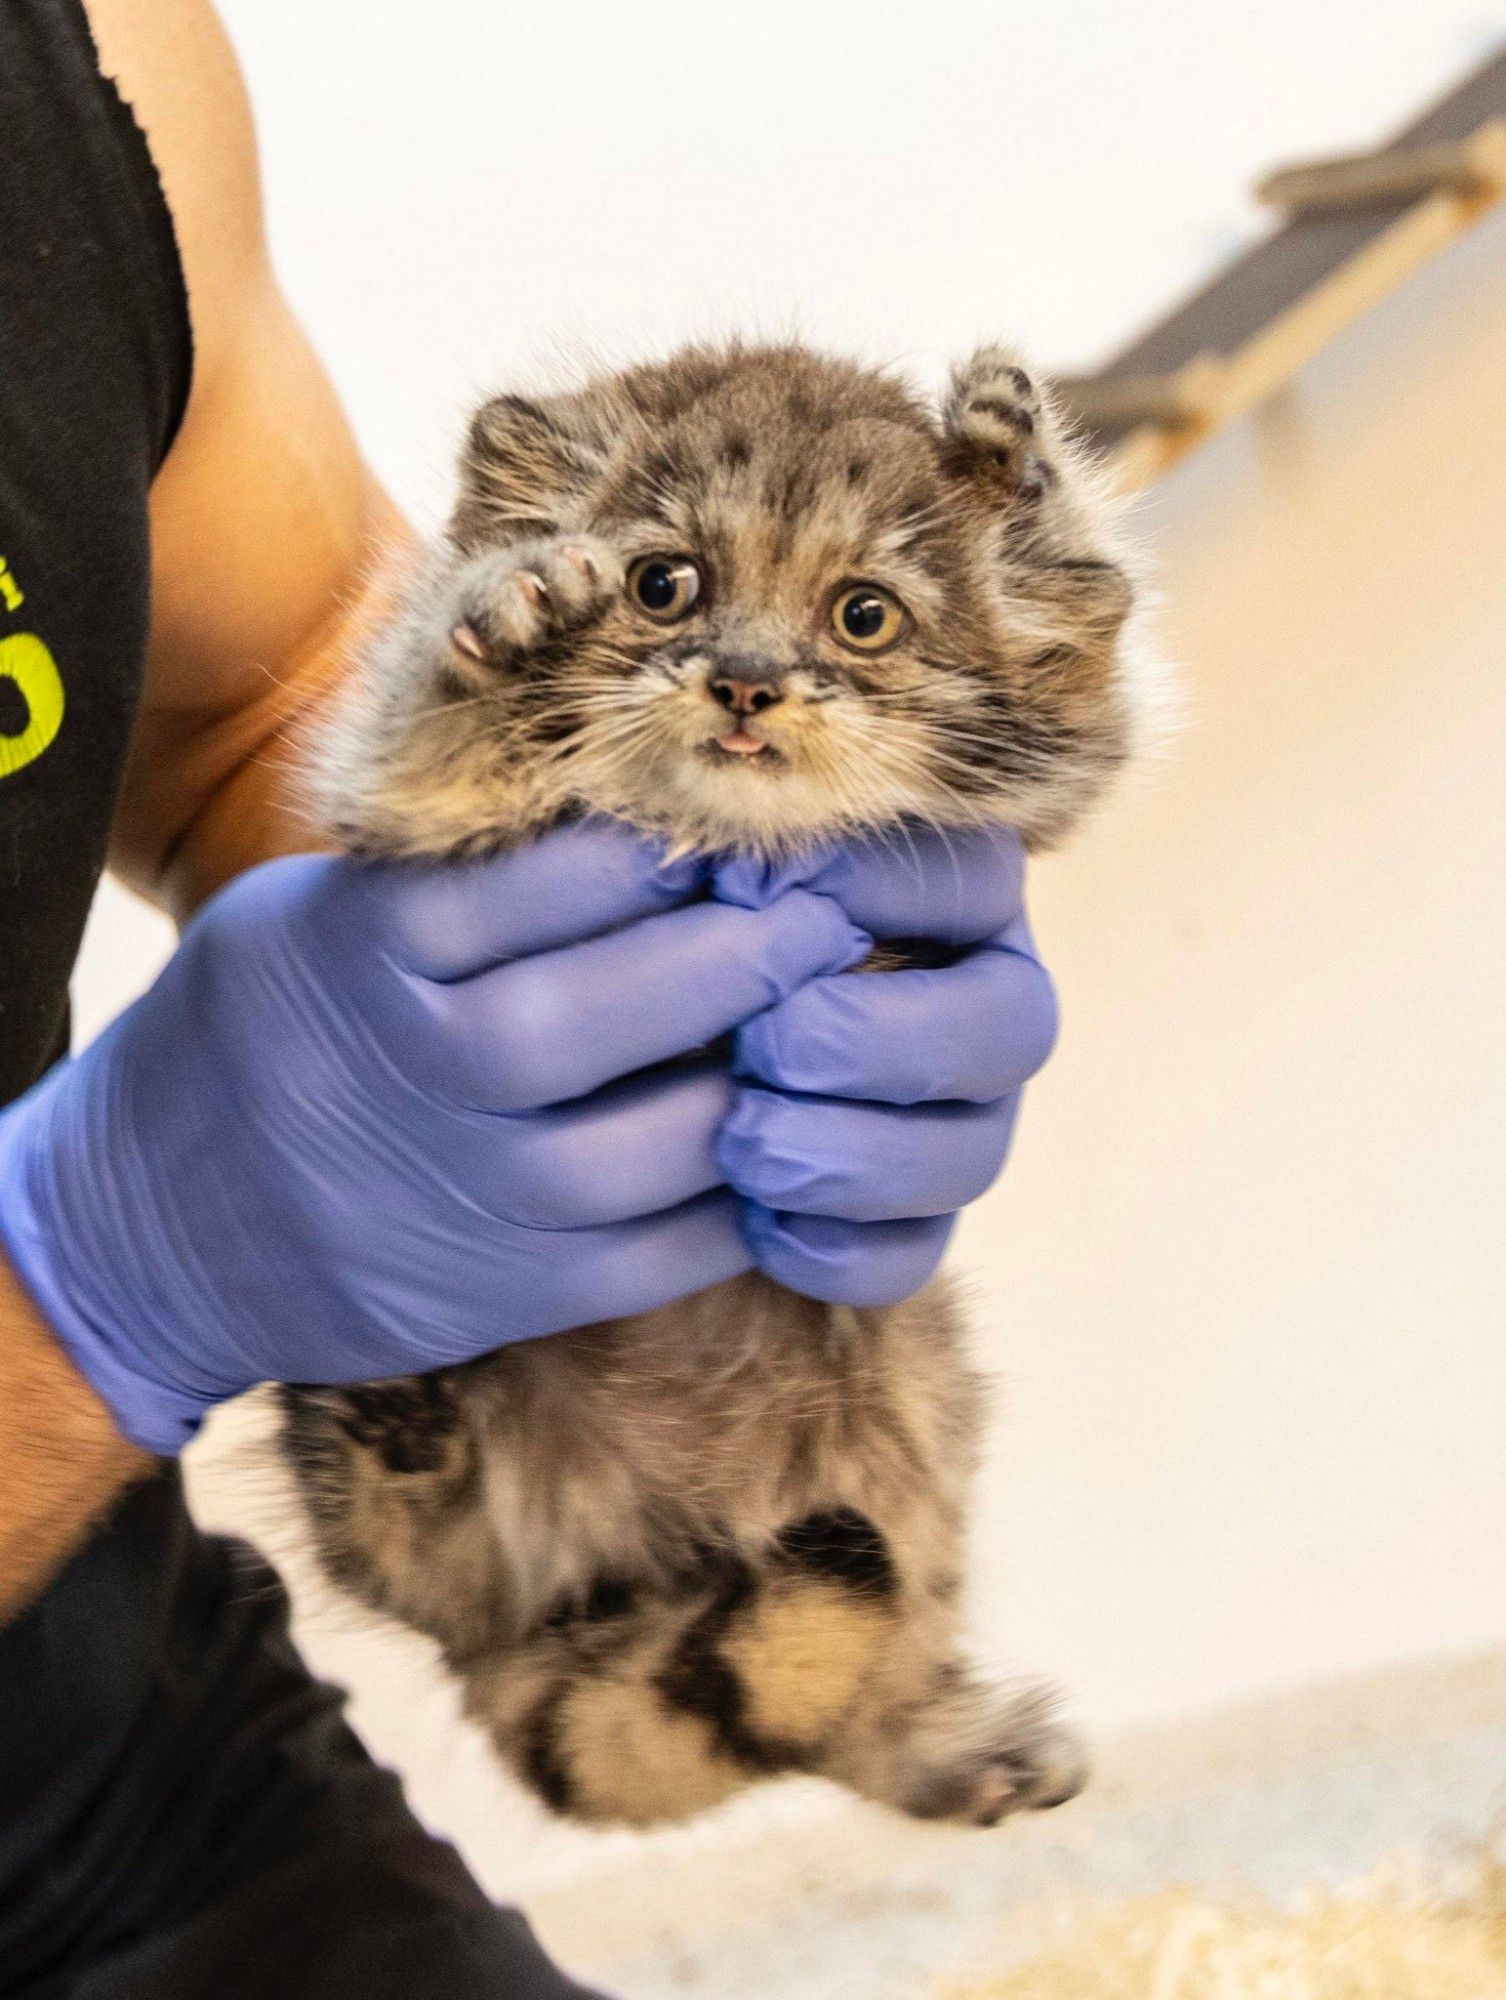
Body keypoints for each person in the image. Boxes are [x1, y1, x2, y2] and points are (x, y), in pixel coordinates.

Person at [0, 1, 1060, 1993]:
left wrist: (603, 944)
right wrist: (88, 1279)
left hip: (115, 1778)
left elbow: (269, 673)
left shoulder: (92, 68)